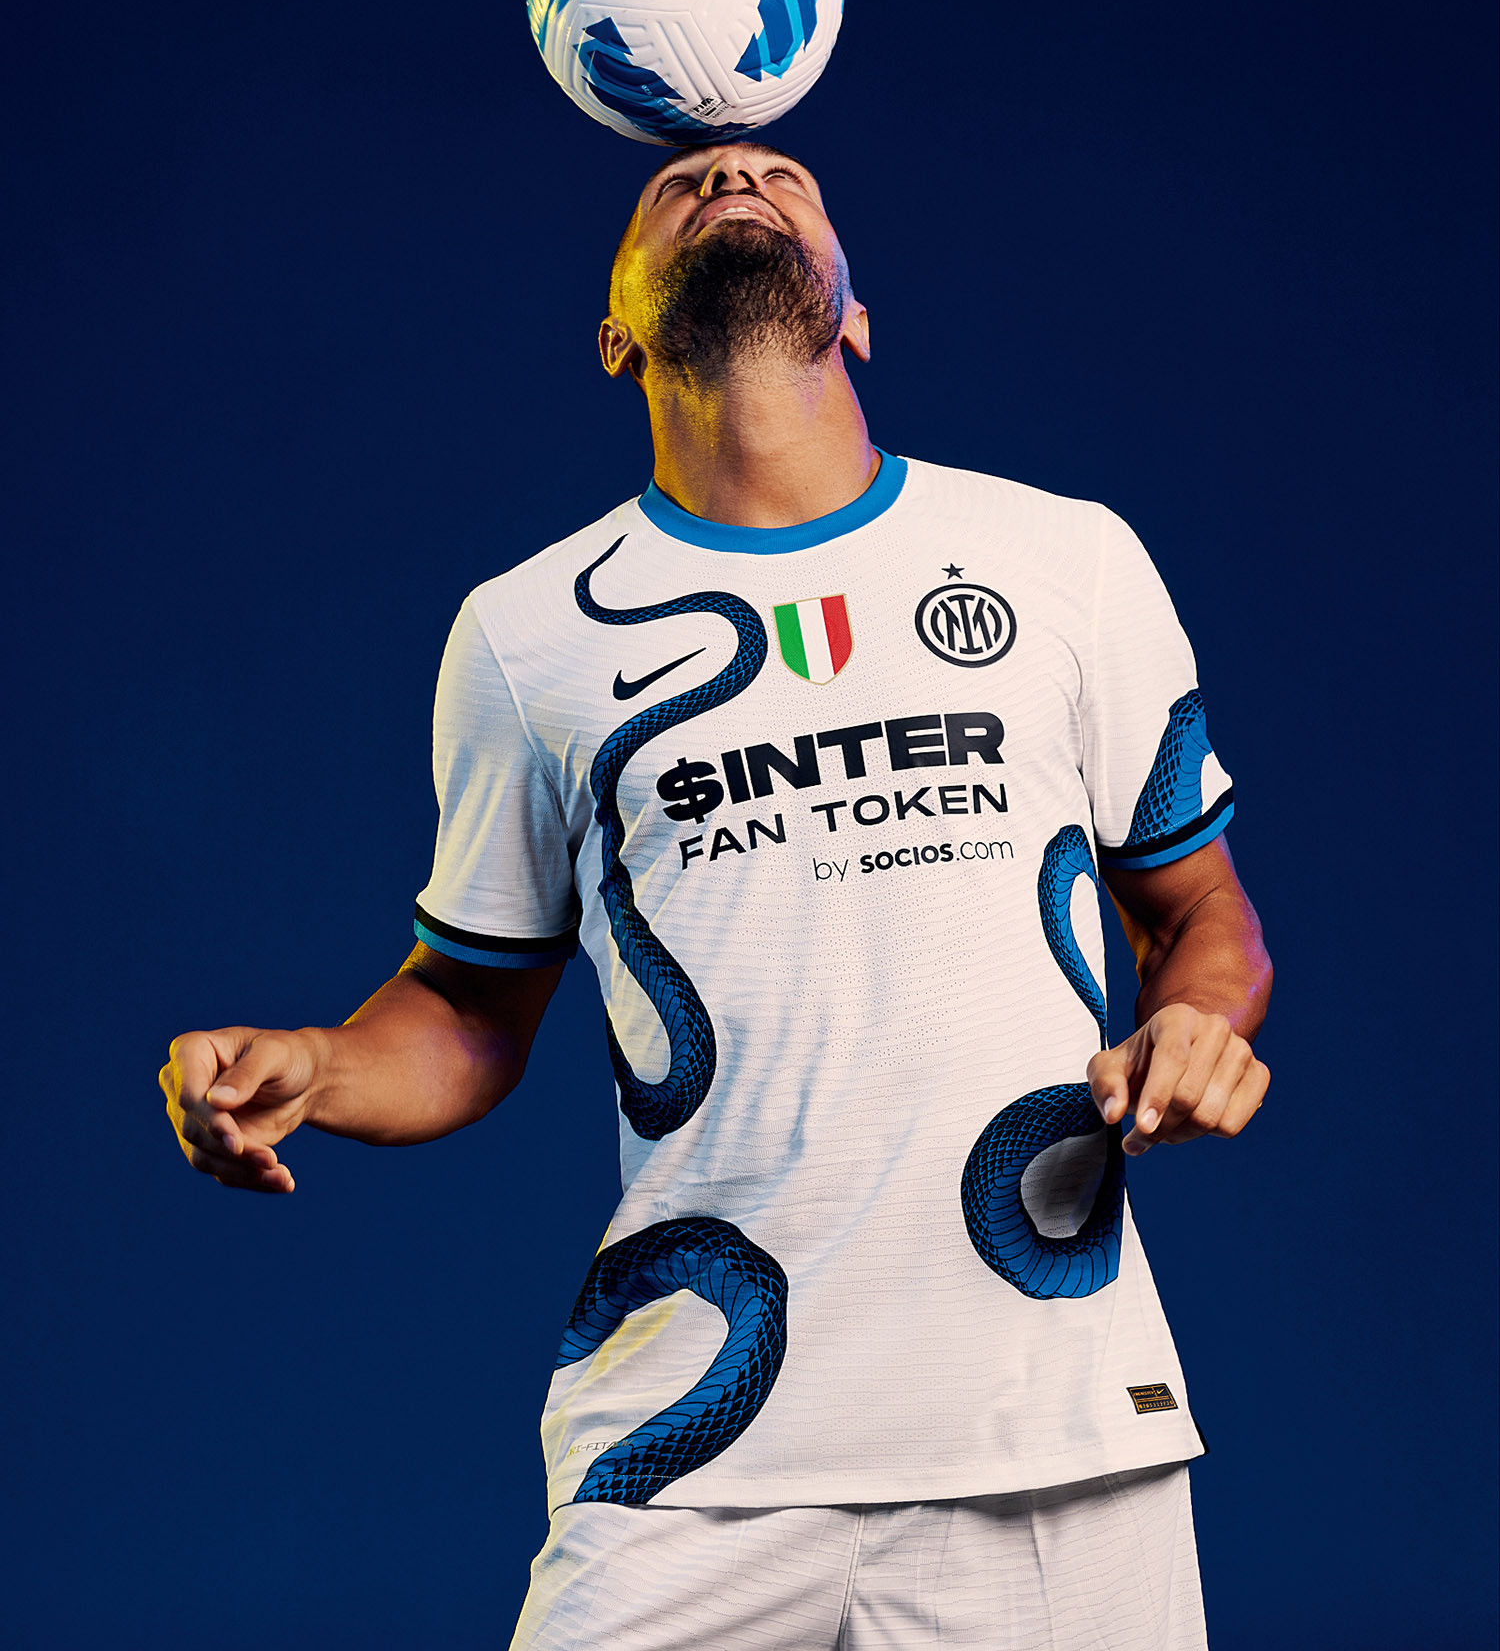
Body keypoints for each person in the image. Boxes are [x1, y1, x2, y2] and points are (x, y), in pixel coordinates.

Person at [160, 141, 1272, 1649]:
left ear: (857, 317)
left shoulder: (1066, 560)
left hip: (1048, 1431)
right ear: (614, 335)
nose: (735, 170)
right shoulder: (527, 637)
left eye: (782, 170)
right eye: (677, 181)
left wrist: (1200, 1024)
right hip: (687, 1440)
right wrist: (318, 1066)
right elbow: (472, 1007)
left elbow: (1199, 914)